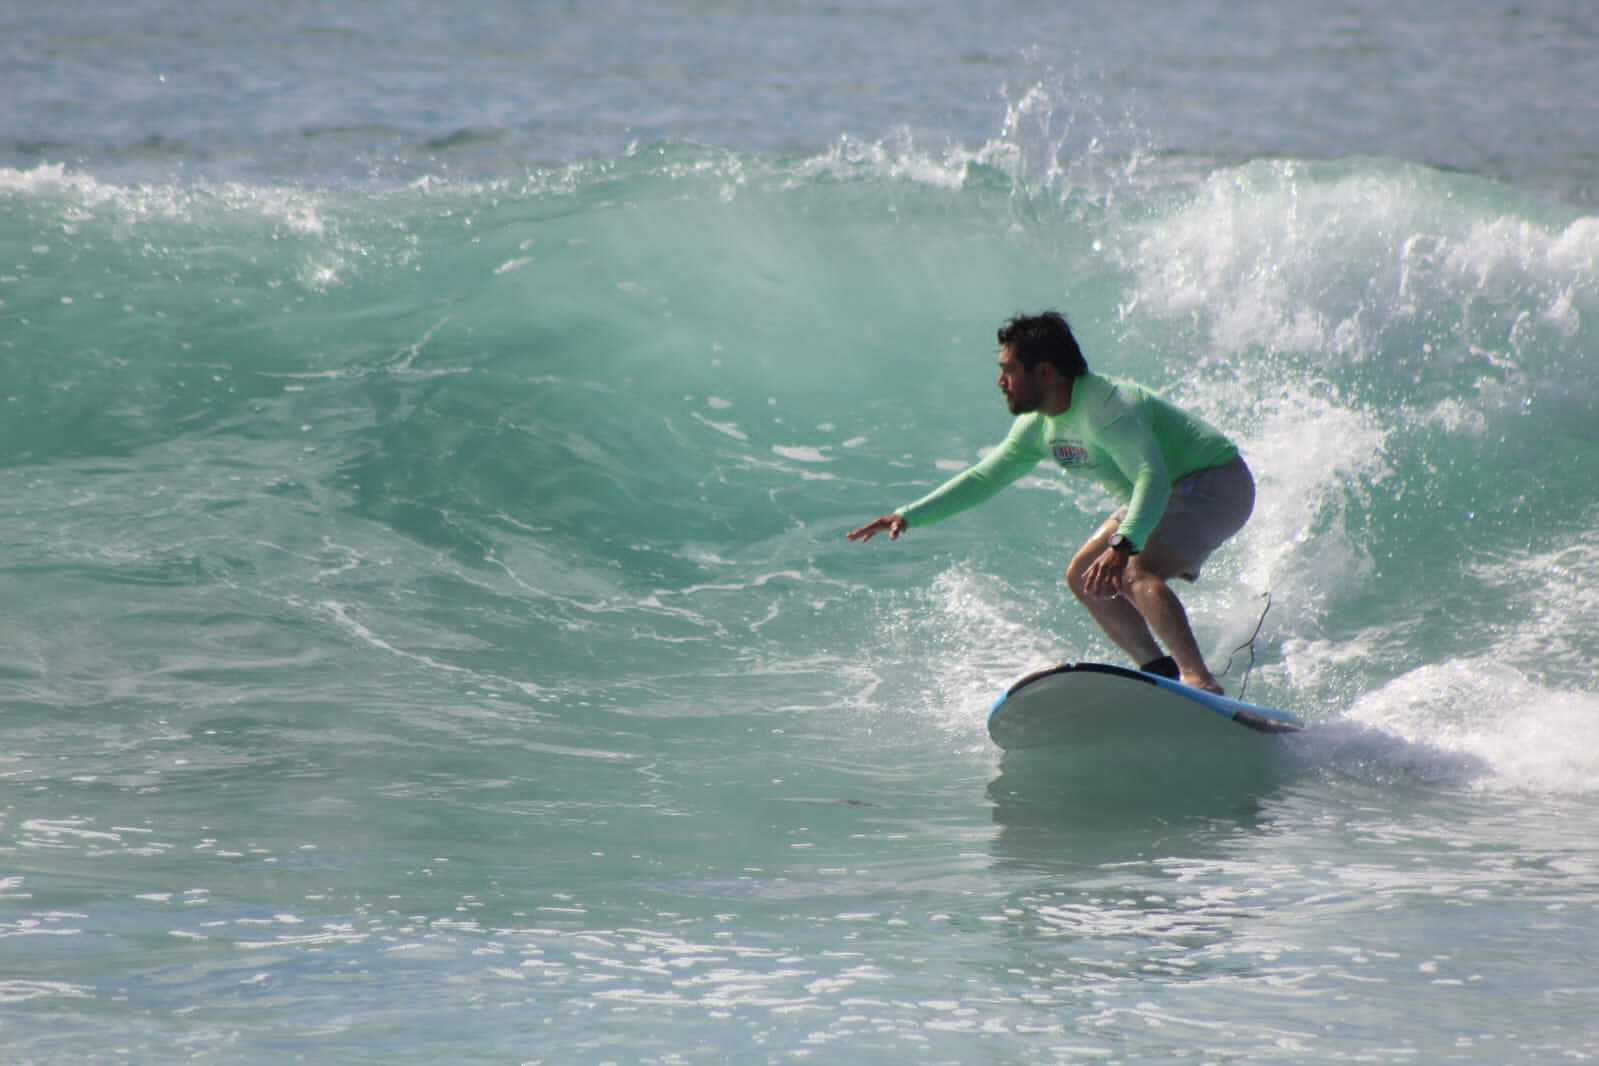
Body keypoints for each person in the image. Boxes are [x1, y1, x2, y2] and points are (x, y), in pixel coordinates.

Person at [847, 311, 1254, 695]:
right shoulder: (1039, 426)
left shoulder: (1106, 408)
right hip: (1162, 493)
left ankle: (1198, 681)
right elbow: (983, 478)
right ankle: (1159, 675)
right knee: (1084, 578)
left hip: (1215, 482)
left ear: (1044, 372)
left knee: (1134, 570)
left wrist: (1125, 542)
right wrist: (908, 515)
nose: (999, 381)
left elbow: (1152, 477)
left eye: (1008, 369)